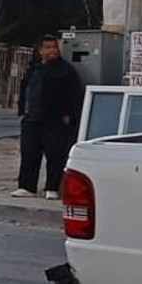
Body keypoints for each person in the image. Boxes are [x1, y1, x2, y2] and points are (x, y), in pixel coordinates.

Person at [14, 33, 85, 199]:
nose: (52, 51)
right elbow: (25, 90)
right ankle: (27, 186)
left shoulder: (65, 71)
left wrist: (69, 115)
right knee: (29, 154)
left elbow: (74, 95)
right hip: (31, 119)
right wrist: (21, 111)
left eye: (54, 47)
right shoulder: (33, 69)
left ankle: (52, 187)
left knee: (55, 156)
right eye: (47, 48)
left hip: (54, 121)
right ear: (40, 50)